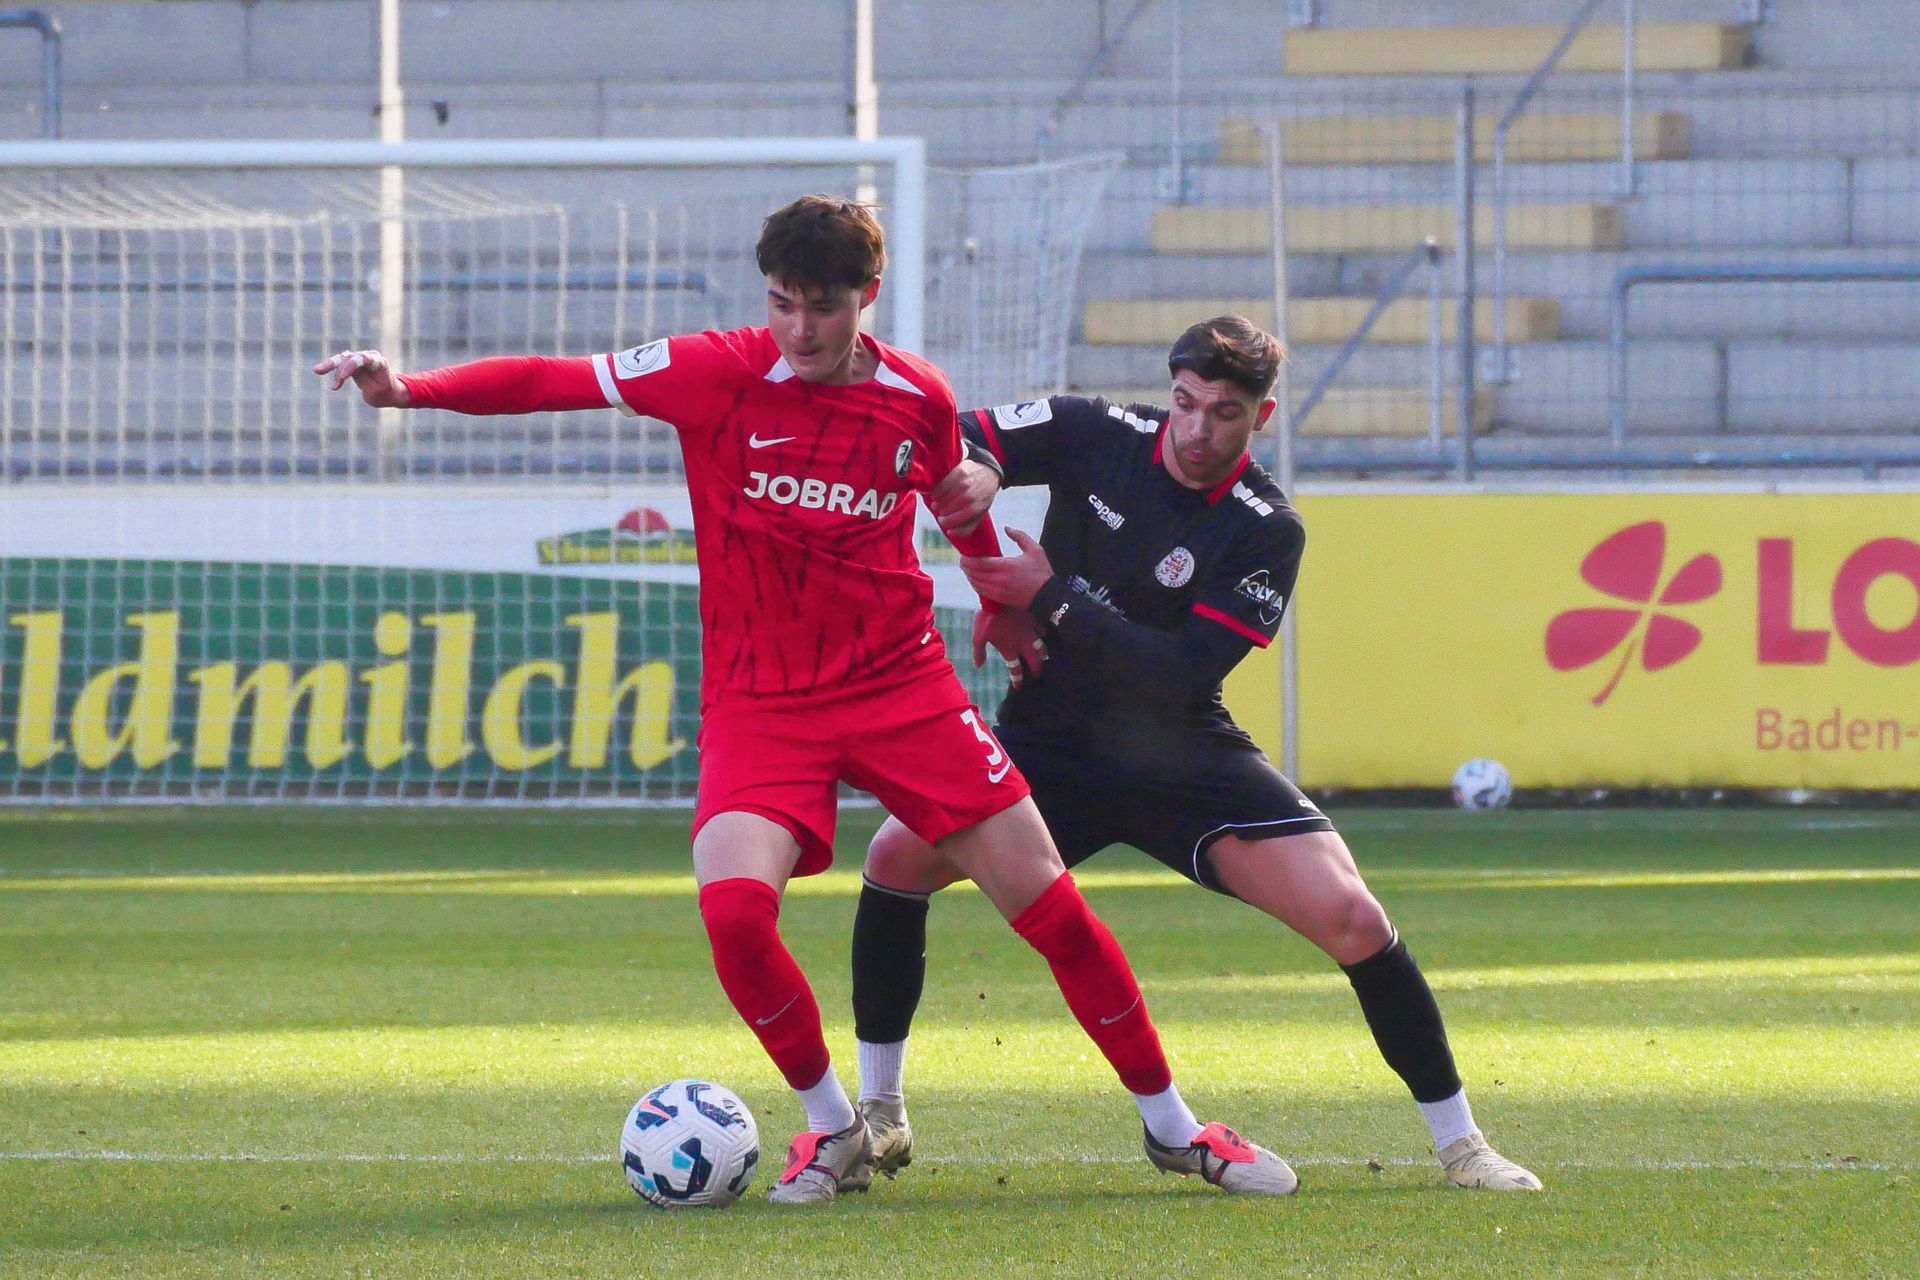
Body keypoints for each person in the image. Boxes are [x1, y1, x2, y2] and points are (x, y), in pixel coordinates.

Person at [315, 203, 1295, 1202]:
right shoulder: (711, 369)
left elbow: (956, 501)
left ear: (867, 298)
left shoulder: (918, 395)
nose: (798, 328)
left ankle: (1174, 1128)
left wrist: (998, 595)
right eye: (782, 304)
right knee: (735, 914)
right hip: (762, 702)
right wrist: (410, 389)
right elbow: (554, 379)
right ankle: (836, 1126)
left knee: (1049, 904)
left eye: (821, 308)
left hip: (902, 686)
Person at [850, 315, 1543, 1193]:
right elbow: (949, 440)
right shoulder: (1093, 428)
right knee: (894, 861)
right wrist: (982, 475)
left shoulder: (1267, 527)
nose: (1196, 429)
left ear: (1262, 417)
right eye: (1184, 403)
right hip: (1051, 741)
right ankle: (880, 1113)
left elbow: (1177, 675)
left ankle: (1462, 1145)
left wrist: (1048, 597)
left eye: (1224, 412)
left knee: (1356, 919)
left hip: (1179, 753)